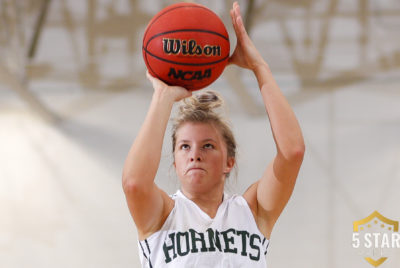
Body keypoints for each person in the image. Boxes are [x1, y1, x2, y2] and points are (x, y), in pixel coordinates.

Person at [122, 2, 305, 267]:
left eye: (207, 146)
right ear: (174, 161)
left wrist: (260, 68)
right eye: (184, 147)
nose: (194, 154)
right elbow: (134, 183)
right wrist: (162, 97)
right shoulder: (162, 214)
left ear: (229, 161)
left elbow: (293, 153)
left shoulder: (251, 212)